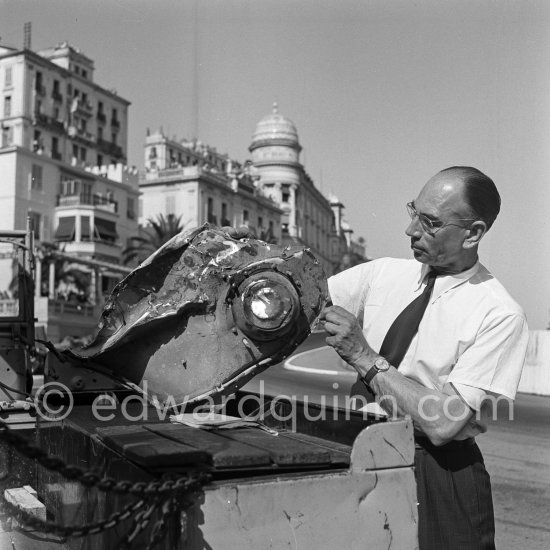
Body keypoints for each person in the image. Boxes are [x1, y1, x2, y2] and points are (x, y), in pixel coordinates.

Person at [321, 166, 529, 550]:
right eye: (413, 211)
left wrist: (365, 358)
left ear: (473, 233)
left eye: (430, 222)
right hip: (359, 452)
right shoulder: (382, 274)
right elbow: (300, 301)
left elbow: (443, 423)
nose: (411, 230)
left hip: (438, 474)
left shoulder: (498, 313)